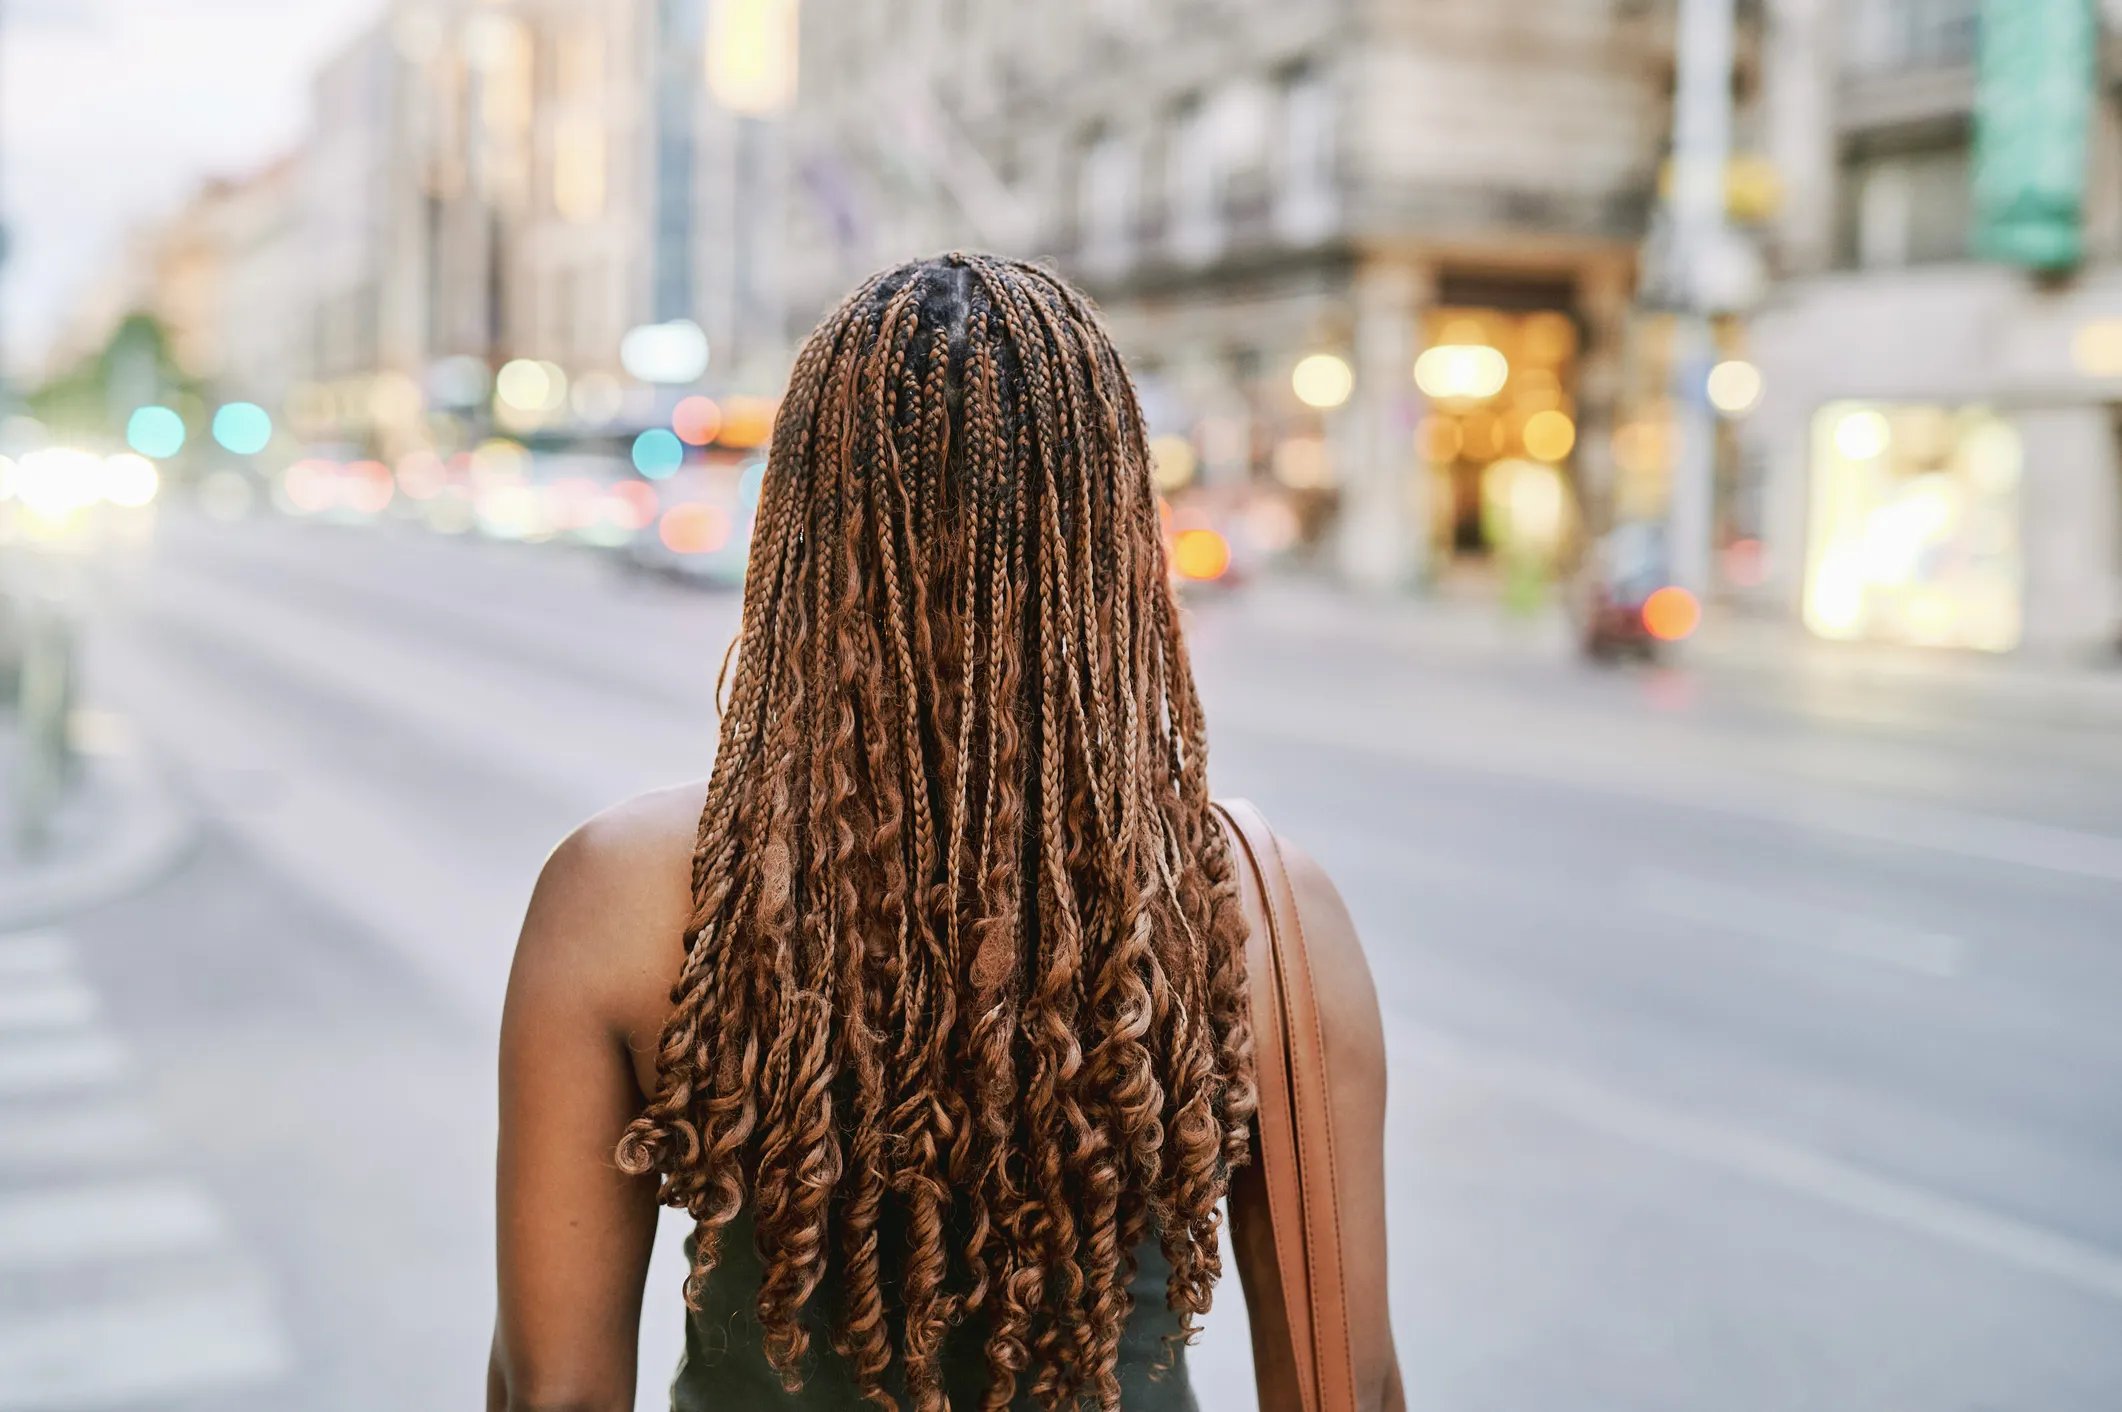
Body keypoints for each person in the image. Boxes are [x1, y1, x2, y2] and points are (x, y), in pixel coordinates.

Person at [490, 254, 1403, 1411]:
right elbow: (1348, 1385)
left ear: (799, 527)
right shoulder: (1262, 914)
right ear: (1114, 529)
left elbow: (552, 1396)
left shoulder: (624, 895)